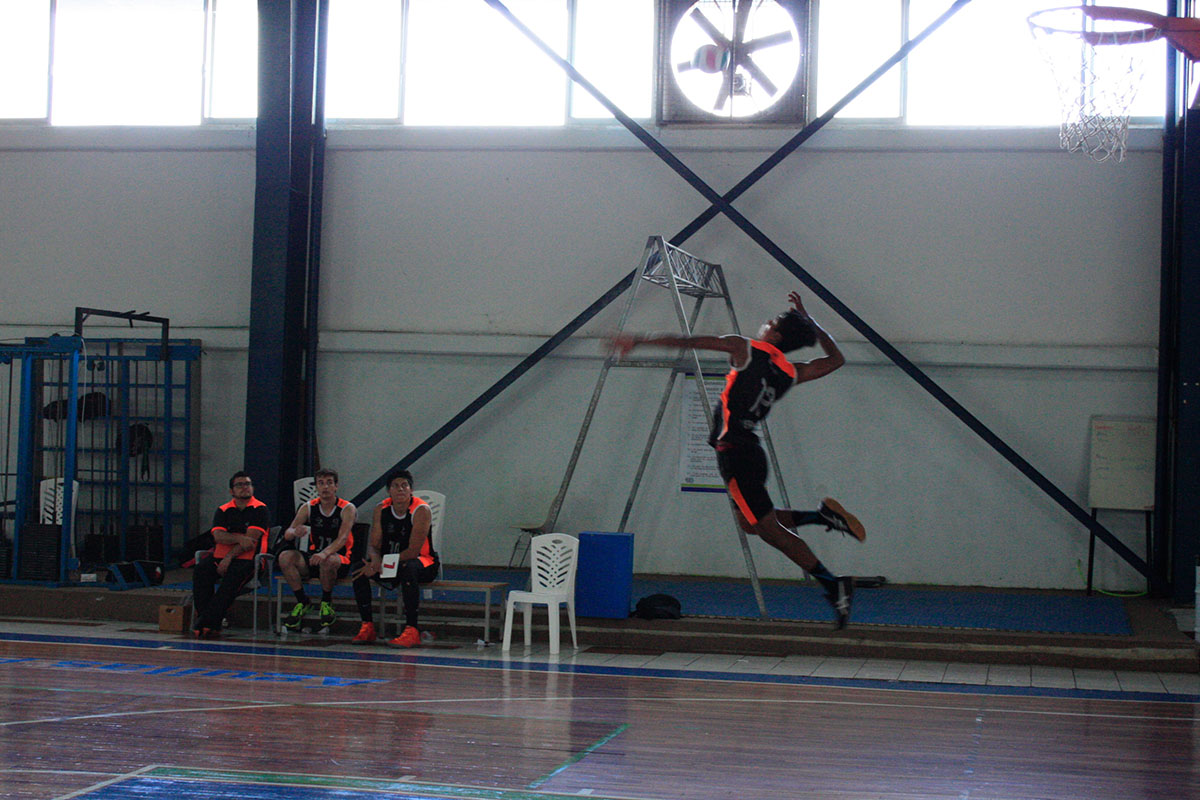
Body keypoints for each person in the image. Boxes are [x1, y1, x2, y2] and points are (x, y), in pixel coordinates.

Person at [610, 290, 866, 629]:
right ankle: (823, 517)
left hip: (736, 454)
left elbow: (690, 341)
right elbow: (835, 361)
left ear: (774, 334)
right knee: (751, 524)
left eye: (770, 322)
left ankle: (834, 585)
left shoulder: (745, 348)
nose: (763, 324)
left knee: (769, 531)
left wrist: (639, 340)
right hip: (749, 453)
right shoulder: (791, 371)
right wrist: (812, 322)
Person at [348, 469, 440, 647]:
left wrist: (384, 563)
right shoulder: (381, 509)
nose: (400, 489)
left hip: (423, 562)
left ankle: (412, 629)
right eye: (396, 486)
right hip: (390, 562)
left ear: (411, 490)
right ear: (389, 491)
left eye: (405, 485)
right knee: (359, 569)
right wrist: (374, 560)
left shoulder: (421, 510)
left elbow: (413, 551)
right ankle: (367, 626)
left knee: (409, 568)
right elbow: (374, 545)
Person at [191, 471, 270, 639]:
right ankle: (210, 622)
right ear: (231, 491)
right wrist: (239, 538)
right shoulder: (223, 510)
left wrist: (229, 555)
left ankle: (205, 622)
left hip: (249, 560)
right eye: (239, 485)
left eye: (247, 484)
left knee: (229, 583)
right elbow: (218, 536)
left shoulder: (260, 509)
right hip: (219, 556)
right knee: (201, 571)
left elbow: (250, 541)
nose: (244, 488)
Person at [278, 468, 357, 633]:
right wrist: (295, 532)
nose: (325, 487)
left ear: (336, 486)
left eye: (329, 483)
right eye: (321, 483)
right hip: (315, 556)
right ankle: (302, 601)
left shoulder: (347, 508)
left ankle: (326, 603)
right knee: (285, 557)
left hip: (338, 558)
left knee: (328, 561)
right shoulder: (308, 507)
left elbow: (342, 539)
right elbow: (288, 532)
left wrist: (325, 553)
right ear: (317, 487)